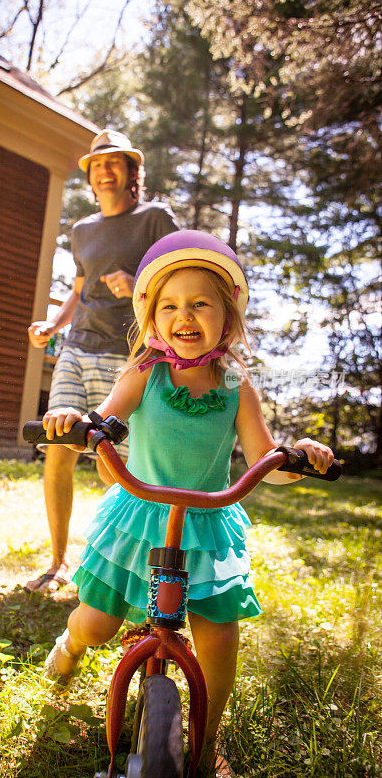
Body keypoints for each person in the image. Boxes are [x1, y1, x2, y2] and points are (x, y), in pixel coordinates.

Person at [40, 230, 335, 777]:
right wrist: (80, 425)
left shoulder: (236, 385)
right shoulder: (143, 372)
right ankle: (70, 644)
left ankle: (206, 733)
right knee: (97, 624)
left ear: (229, 320)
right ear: (152, 320)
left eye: (202, 303)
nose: (185, 314)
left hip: (207, 522)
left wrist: (299, 458)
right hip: (140, 513)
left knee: (219, 636)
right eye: (171, 305)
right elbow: (106, 417)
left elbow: (262, 460)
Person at [26, 129, 179, 593]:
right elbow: (78, 290)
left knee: (114, 465)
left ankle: (120, 563)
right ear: (90, 176)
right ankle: (57, 563)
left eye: (114, 162)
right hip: (78, 346)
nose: (104, 170)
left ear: (133, 172)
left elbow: (183, 280)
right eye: (96, 165)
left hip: (129, 355)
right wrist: (54, 326)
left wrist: (137, 286)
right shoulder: (82, 230)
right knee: (58, 442)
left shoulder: (154, 219)